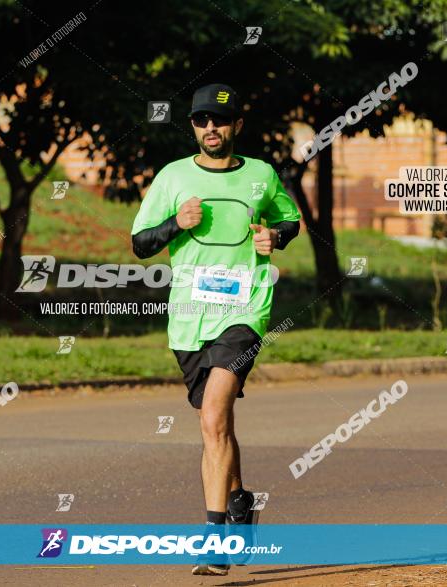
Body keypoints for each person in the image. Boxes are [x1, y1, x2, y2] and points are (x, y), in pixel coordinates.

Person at [131, 83, 300, 575]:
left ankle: (214, 542)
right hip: (188, 318)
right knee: (217, 423)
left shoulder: (261, 176)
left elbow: (289, 221)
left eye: (220, 121)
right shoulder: (173, 177)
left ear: (236, 127)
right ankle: (241, 502)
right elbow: (141, 243)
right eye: (203, 120)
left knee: (211, 419)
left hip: (244, 310)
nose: (211, 128)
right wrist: (177, 224)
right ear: (193, 126)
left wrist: (274, 236)